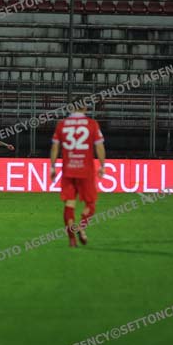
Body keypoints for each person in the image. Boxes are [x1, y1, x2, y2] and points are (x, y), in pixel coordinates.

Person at [49, 104, 105, 247]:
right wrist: (102, 165)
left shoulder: (62, 124)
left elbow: (55, 146)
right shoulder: (92, 124)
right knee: (90, 204)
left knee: (69, 204)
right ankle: (81, 227)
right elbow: (99, 146)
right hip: (86, 170)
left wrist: (52, 166)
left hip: (69, 170)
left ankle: (72, 239)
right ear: (85, 109)